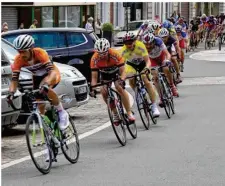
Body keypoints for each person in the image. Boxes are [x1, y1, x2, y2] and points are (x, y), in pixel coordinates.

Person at [8, 35, 69, 132]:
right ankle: (50, 134)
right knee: (40, 107)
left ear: (31, 48)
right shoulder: (18, 60)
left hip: (51, 74)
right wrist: (11, 93)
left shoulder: (40, 53)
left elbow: (52, 72)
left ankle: (62, 112)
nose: (21, 54)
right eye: (19, 51)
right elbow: (14, 80)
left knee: (44, 88)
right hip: (37, 77)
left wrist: (47, 83)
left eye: (24, 51)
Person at [90, 38, 135, 124]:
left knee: (119, 87)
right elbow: (94, 77)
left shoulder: (114, 54)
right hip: (105, 75)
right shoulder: (94, 59)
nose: (102, 55)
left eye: (104, 53)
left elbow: (123, 71)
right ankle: (115, 114)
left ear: (108, 50)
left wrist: (122, 79)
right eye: (99, 53)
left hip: (116, 73)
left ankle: (129, 113)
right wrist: (93, 88)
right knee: (103, 91)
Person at [120, 32, 160, 117]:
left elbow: (148, 61)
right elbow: (121, 65)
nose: (129, 45)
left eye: (130, 43)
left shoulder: (140, 46)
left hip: (142, 64)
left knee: (145, 80)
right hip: (131, 65)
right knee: (131, 77)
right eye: (126, 44)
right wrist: (122, 76)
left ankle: (154, 106)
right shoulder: (123, 50)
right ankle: (137, 92)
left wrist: (146, 69)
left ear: (134, 41)